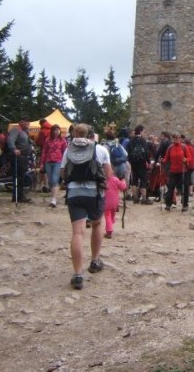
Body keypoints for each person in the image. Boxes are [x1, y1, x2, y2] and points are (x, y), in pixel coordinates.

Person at [60, 124, 112, 290]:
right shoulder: (100, 149)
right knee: (97, 224)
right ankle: (95, 261)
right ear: (91, 135)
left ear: (74, 134)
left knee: (77, 232)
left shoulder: (68, 150)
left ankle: (78, 275)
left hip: (74, 193)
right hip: (94, 193)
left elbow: (63, 173)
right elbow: (108, 173)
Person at [162, 134, 194, 212]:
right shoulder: (170, 147)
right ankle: (168, 204)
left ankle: (185, 205)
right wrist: (162, 161)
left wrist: (186, 159)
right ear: (173, 139)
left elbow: (190, 157)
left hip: (183, 171)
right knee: (170, 188)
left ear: (180, 139)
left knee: (184, 188)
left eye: (178, 138)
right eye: (175, 138)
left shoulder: (184, 147)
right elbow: (166, 158)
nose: (177, 139)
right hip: (173, 171)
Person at [6, 117, 33, 203]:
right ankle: (18, 196)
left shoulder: (25, 131)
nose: (28, 124)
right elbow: (10, 140)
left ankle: (20, 195)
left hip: (24, 157)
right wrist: (14, 149)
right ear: (21, 122)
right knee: (18, 176)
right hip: (18, 157)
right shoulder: (16, 130)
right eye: (26, 122)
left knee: (22, 176)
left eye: (29, 122)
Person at [40, 124, 67, 208]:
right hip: (48, 161)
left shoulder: (63, 140)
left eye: (58, 130)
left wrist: (65, 164)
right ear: (52, 131)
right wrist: (42, 163)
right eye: (55, 130)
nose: (56, 132)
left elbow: (65, 152)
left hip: (58, 161)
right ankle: (53, 196)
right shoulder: (48, 140)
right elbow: (44, 151)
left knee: (55, 180)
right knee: (50, 180)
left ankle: (54, 199)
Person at [126, 125, 153, 205]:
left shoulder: (131, 140)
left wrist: (130, 161)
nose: (144, 133)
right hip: (141, 162)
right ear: (141, 131)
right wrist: (148, 162)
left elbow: (128, 152)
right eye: (144, 131)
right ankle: (144, 199)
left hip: (133, 162)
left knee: (134, 179)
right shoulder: (142, 140)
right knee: (143, 179)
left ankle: (135, 198)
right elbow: (146, 152)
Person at [103, 173, 127, 239]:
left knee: (107, 216)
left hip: (106, 201)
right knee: (112, 213)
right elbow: (123, 187)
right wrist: (123, 181)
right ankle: (111, 222)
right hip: (115, 202)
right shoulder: (115, 179)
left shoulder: (103, 180)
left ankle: (109, 231)